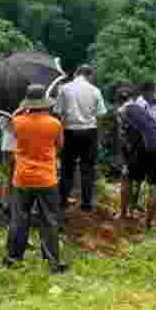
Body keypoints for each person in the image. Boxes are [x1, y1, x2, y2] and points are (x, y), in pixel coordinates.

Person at [4, 84, 68, 273]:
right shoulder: (54, 123)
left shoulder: (17, 121)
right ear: (45, 103)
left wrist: (22, 111)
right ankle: (53, 263)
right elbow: (60, 146)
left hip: (22, 177)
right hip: (47, 178)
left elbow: (10, 131)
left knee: (19, 218)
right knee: (49, 220)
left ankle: (13, 258)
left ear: (28, 102)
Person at [56, 65, 108, 213]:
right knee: (88, 169)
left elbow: (58, 112)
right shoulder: (95, 90)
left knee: (67, 168)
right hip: (89, 132)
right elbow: (101, 114)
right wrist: (99, 135)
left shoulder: (64, 89)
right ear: (89, 75)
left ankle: (62, 201)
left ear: (76, 73)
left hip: (69, 131)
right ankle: (86, 204)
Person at [119, 82, 156, 227]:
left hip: (145, 147)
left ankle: (123, 214)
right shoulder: (140, 109)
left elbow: (125, 138)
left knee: (127, 177)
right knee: (155, 184)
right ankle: (149, 222)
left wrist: (126, 160)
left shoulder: (122, 111)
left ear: (117, 101)